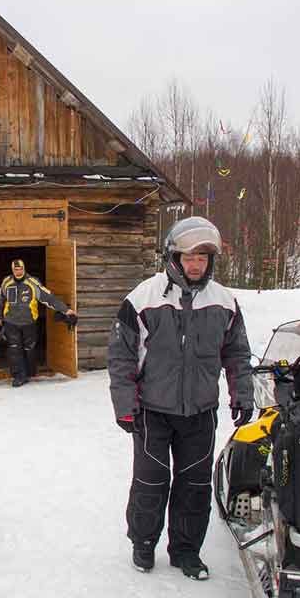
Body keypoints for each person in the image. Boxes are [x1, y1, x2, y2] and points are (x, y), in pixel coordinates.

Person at [107, 216, 253, 579]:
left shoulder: (225, 302)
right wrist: (125, 406)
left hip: (200, 413)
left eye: (203, 258)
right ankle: (143, 542)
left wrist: (242, 394)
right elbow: (121, 356)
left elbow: (236, 354)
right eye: (189, 257)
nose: (196, 265)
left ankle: (186, 551)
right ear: (173, 257)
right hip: (152, 411)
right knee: (150, 481)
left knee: (194, 485)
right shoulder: (143, 298)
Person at [0, 259, 76, 387]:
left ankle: (29, 372)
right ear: (12, 270)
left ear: (24, 268)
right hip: (11, 322)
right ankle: (18, 376)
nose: (18, 272)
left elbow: (49, 298)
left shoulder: (33, 283)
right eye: (16, 269)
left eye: (20, 269)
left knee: (29, 349)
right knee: (14, 349)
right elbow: (0, 300)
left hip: (29, 322)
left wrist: (65, 310)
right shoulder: (6, 282)